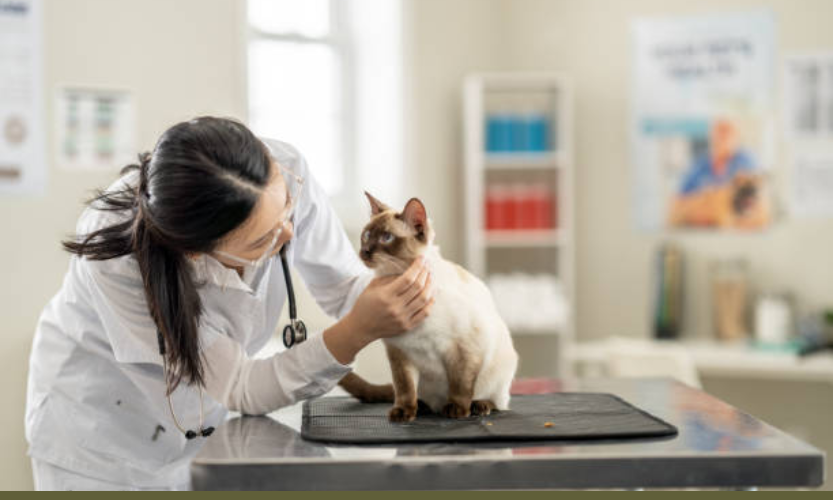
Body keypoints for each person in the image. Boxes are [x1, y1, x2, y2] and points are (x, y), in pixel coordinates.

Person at [25, 117, 435, 490]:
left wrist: (417, 292)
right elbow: (241, 385)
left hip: (204, 430)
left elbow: (348, 288)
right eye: (263, 240)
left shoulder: (281, 171)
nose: (289, 234)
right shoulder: (120, 263)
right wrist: (356, 331)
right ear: (194, 252)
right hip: (98, 444)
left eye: (287, 211)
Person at [668, 119, 768, 229]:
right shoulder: (699, 165)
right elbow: (675, 208)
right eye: (719, 131)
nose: (723, 136)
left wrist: (717, 201)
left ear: (737, 136)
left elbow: (757, 206)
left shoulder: (746, 161)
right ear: (711, 136)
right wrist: (705, 203)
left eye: (727, 131)